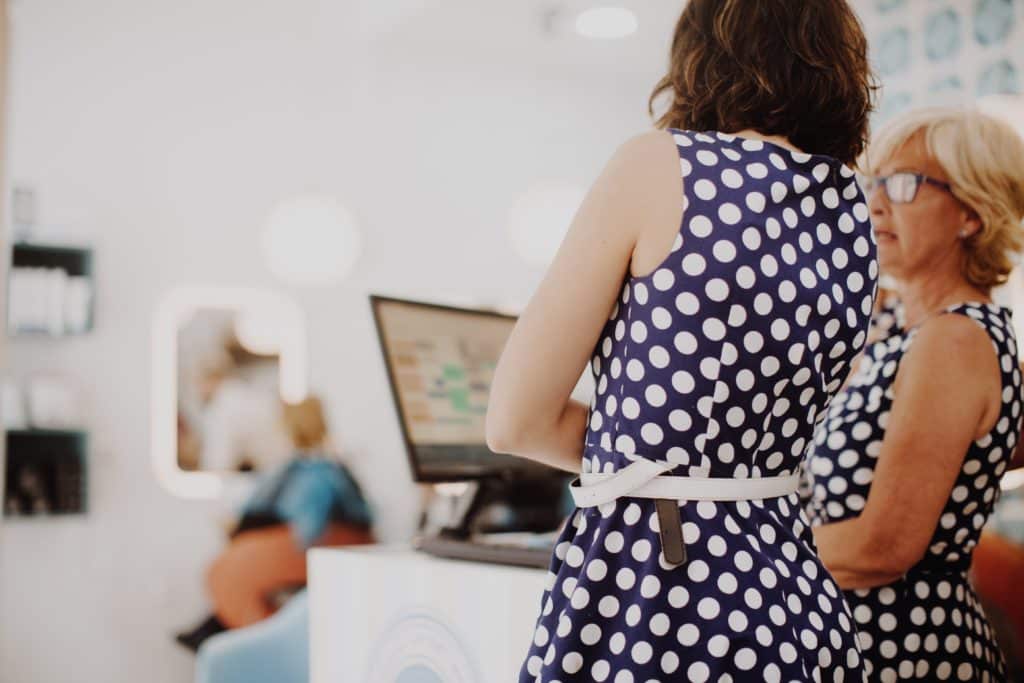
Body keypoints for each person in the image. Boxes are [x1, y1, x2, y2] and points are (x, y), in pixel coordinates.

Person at [486, 1, 877, 679]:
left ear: (704, 56)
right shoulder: (854, 208)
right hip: (792, 591)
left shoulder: (658, 165)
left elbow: (516, 419)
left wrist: (648, 453)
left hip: (656, 586)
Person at [804, 107, 1024, 681]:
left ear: (972, 213)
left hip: (904, 654)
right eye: (872, 184)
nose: (875, 204)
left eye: (902, 185)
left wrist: (733, 557)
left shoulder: (954, 339)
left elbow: (881, 547)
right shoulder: (910, 328)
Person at [176, 395, 374, 651]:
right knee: (228, 573)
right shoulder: (325, 467)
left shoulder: (312, 471)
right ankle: (231, 633)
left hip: (320, 543)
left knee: (226, 574)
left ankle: (265, 646)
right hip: (325, 541)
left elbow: (309, 528)